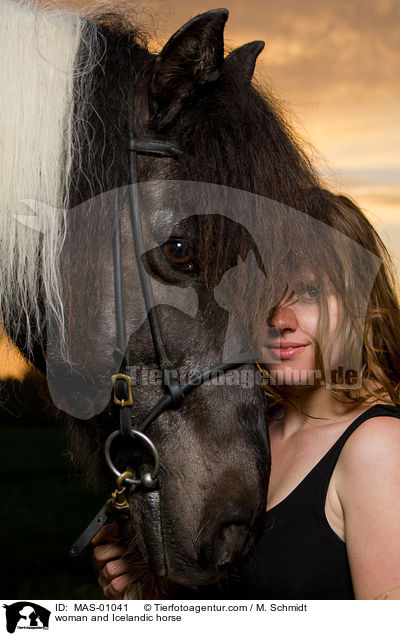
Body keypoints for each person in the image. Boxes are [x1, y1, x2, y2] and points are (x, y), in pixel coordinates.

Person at [92, 192, 400, 600]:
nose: (280, 320)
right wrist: (152, 590)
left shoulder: (378, 446)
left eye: (309, 292)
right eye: (263, 294)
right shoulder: (241, 435)